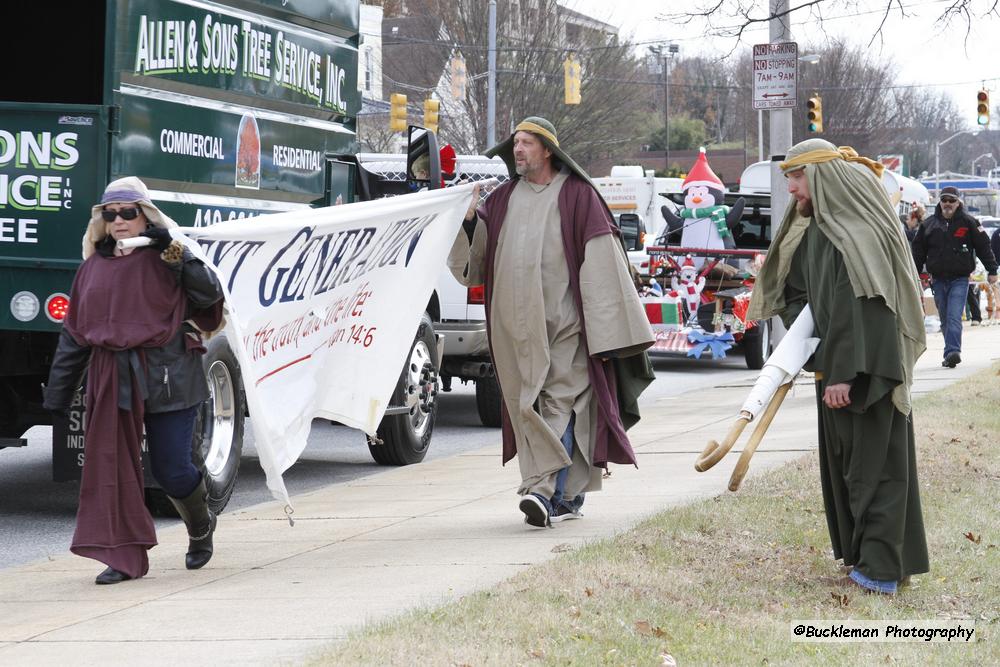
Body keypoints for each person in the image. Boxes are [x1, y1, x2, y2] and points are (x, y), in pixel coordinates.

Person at [448, 117, 655, 527]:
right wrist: (469, 220)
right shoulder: (503, 199)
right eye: (515, 144)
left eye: (526, 143)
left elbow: (602, 267)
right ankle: (568, 494)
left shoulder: (578, 196)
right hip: (513, 332)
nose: (518, 150)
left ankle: (542, 492)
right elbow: (476, 265)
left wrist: (608, 333)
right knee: (528, 406)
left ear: (547, 150)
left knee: (558, 404)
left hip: (566, 329)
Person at [748, 139, 929, 595]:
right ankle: (872, 559)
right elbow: (798, 296)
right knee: (850, 467)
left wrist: (845, 372)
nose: (791, 189)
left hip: (866, 375)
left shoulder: (858, 234)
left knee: (877, 467)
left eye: (796, 177)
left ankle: (881, 569)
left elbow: (866, 308)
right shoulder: (819, 234)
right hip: (835, 368)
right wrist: (806, 349)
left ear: (822, 177)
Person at [43, 177, 225, 585]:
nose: (120, 220)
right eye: (111, 214)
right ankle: (122, 556)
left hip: (170, 374)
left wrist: (174, 251)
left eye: (128, 212)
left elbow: (210, 293)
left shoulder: (171, 256)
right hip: (112, 377)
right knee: (112, 467)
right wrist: (58, 392)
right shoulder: (93, 268)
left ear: (146, 215)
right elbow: (75, 333)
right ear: (102, 220)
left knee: (171, 469)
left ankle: (200, 526)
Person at [911, 186, 998, 367]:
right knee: (944, 318)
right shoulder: (928, 225)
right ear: (940, 202)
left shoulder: (969, 222)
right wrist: (915, 274)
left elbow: (984, 247)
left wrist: (992, 270)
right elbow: (918, 252)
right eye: (945, 200)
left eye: (952, 200)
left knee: (953, 316)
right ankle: (949, 352)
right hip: (937, 279)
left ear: (958, 202)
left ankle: (953, 352)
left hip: (960, 278)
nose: (948, 204)